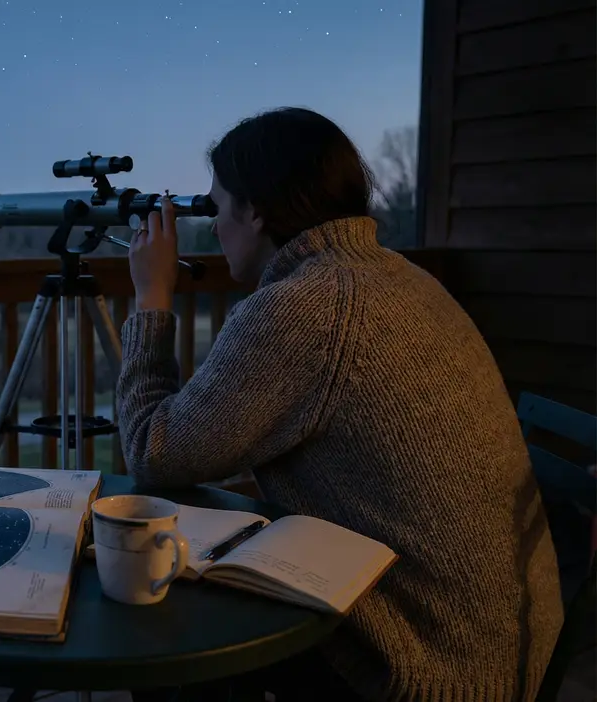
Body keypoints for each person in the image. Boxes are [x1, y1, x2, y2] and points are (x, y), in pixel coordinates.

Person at [117, 107, 565, 701]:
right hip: (505, 638)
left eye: (217, 206)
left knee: (163, 630)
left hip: (429, 663)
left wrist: (152, 295)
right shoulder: (397, 275)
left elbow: (156, 452)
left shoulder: (308, 305)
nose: (214, 227)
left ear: (254, 209)